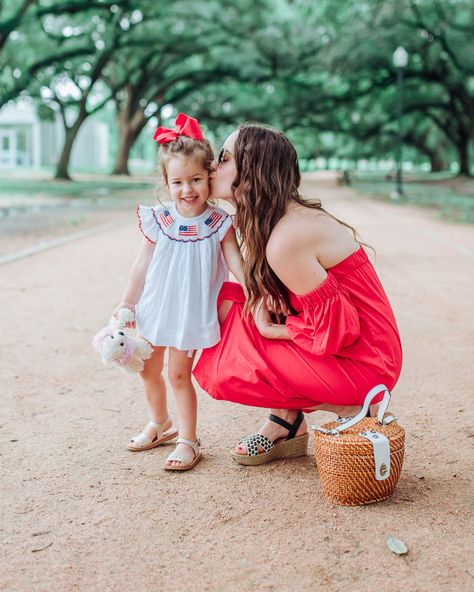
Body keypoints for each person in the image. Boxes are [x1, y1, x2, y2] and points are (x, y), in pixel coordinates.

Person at [193, 123, 403, 466]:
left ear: (252, 172)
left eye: (224, 158)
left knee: (227, 356)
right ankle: (287, 422)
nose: (213, 166)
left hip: (366, 363)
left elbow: (340, 328)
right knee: (227, 301)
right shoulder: (278, 219)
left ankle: (354, 407)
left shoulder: (287, 237)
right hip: (362, 350)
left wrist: (273, 330)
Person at [114, 113, 244, 471]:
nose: (187, 190)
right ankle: (160, 423)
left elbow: (235, 263)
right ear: (166, 183)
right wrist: (128, 301)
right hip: (155, 306)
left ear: (209, 177)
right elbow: (142, 263)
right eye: (178, 182)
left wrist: (254, 289)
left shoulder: (218, 223)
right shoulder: (161, 219)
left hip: (188, 312)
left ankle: (189, 438)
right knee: (147, 369)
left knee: (178, 374)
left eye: (196, 180)